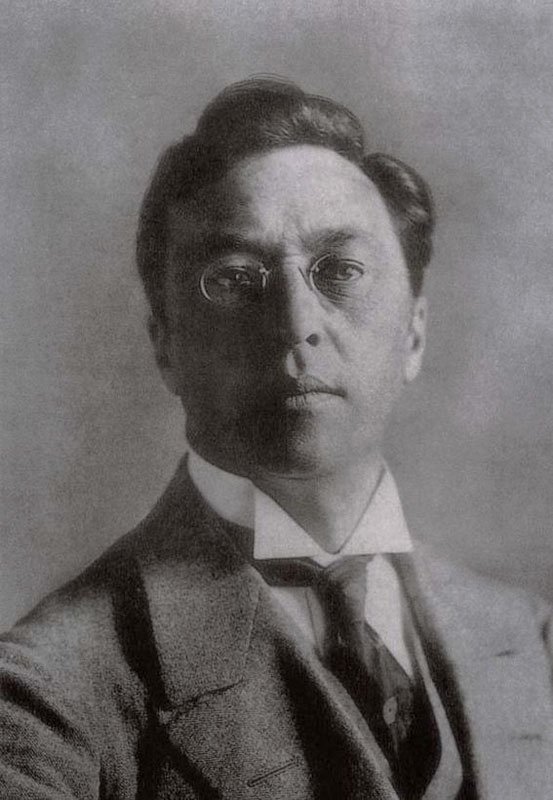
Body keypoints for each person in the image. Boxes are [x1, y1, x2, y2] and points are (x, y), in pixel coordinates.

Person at [1, 78, 552, 800]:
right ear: (165, 347)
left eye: (341, 271)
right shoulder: (46, 694)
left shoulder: (530, 637)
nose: (296, 323)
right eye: (235, 279)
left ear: (414, 332)